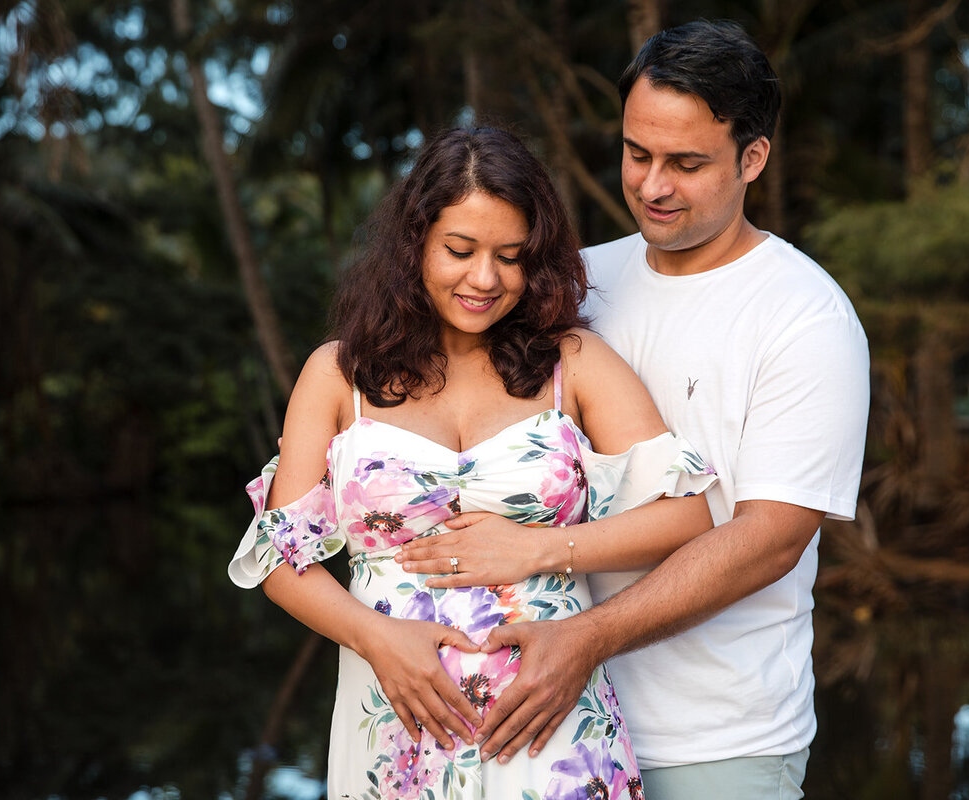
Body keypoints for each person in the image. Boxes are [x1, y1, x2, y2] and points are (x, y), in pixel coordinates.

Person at [399, 21, 870, 799]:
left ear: (753, 158)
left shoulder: (805, 316)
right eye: (637, 153)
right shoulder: (575, 283)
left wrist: (582, 632)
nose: (652, 185)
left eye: (687, 164)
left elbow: (768, 540)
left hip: (716, 741)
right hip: (538, 728)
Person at [227, 126, 718, 800]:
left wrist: (538, 548)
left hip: (550, 729)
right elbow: (279, 556)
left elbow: (686, 519)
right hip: (393, 727)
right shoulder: (338, 376)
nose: (484, 279)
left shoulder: (572, 363)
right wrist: (377, 639)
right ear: (414, 245)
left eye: (510, 257)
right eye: (460, 250)